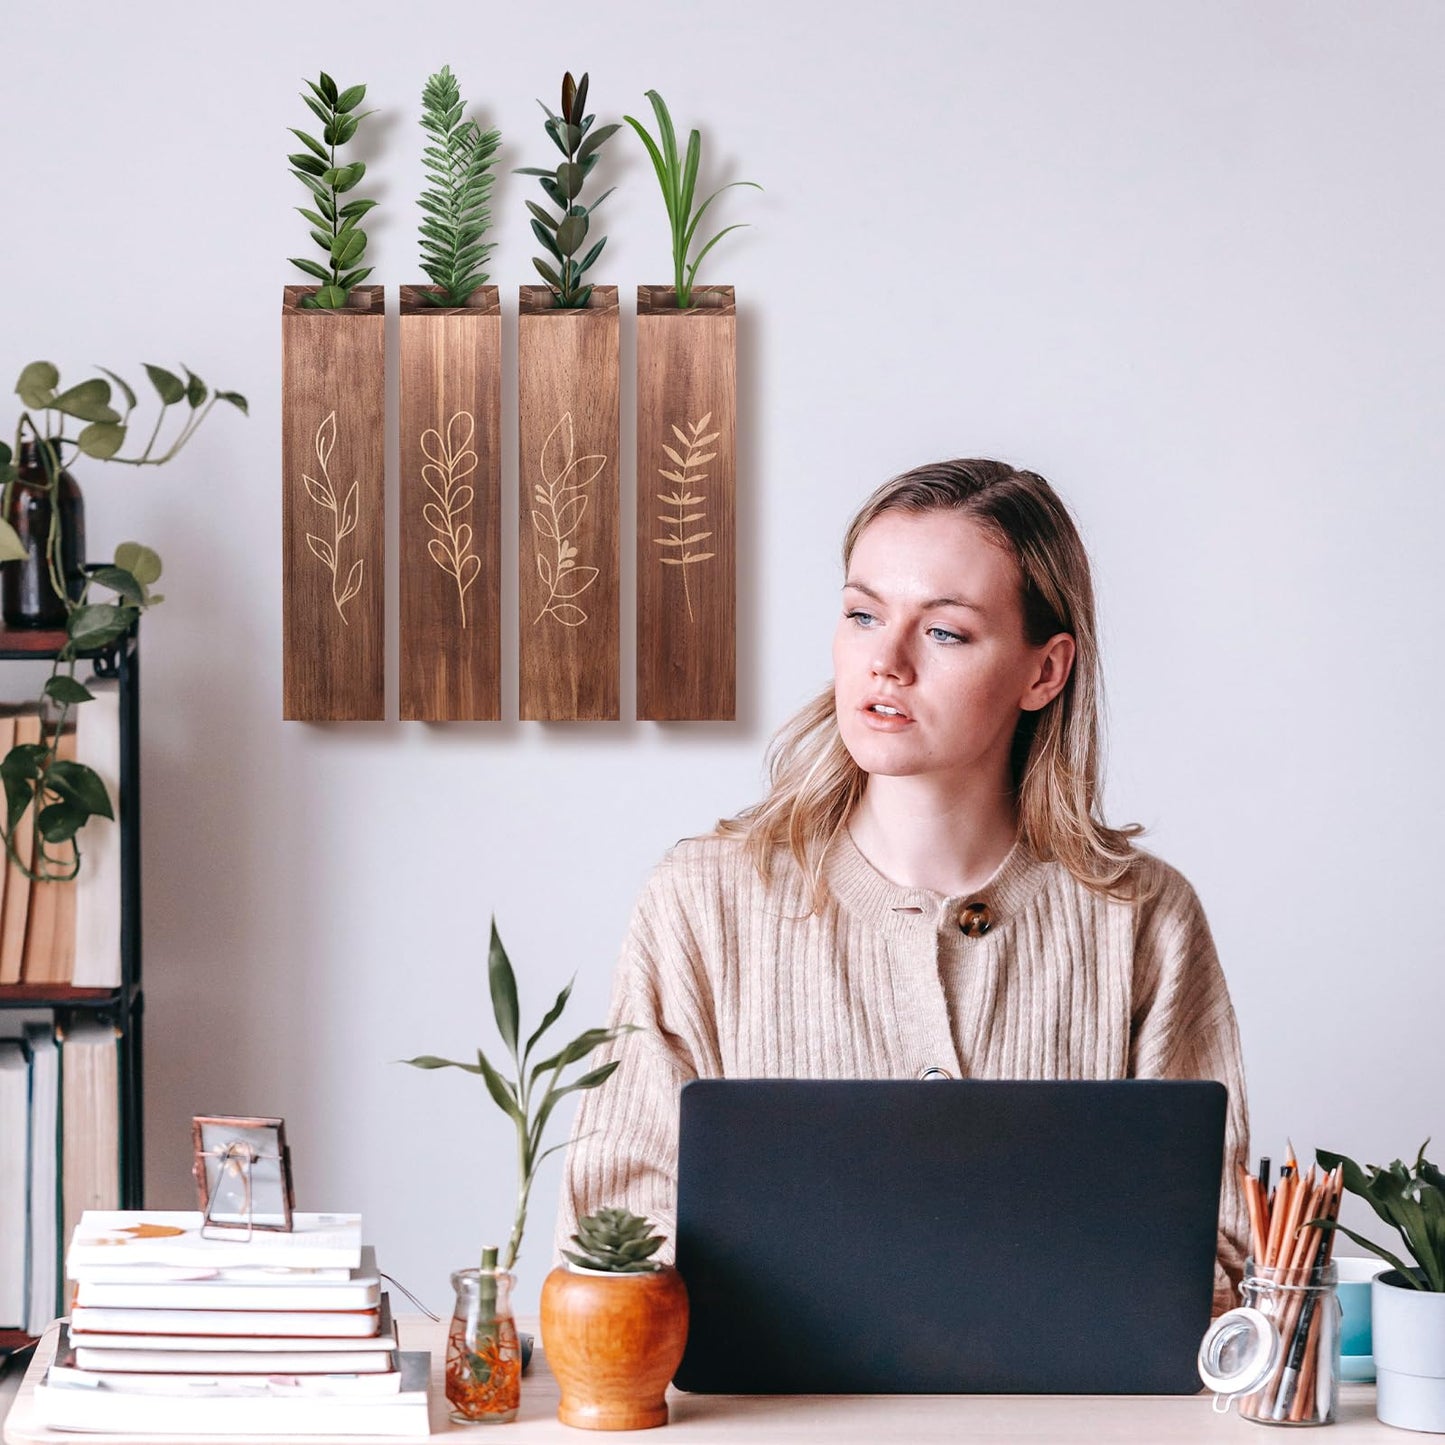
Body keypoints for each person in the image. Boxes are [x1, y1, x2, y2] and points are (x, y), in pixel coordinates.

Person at [557, 458, 1249, 1314]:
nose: (884, 661)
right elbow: (613, 1223)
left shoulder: (1144, 918)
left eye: (944, 632)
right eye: (861, 615)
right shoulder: (699, 901)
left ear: (1044, 671)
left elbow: (1212, 1249)